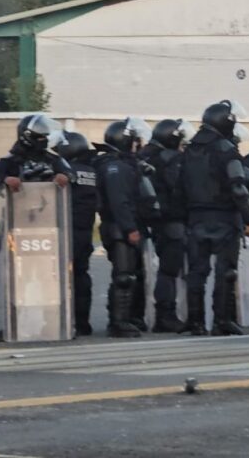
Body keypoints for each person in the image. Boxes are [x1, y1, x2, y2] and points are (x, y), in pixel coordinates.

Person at [0, 114, 73, 342]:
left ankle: (50, 323)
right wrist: (5, 181)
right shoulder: (9, 162)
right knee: (15, 280)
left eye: (46, 135)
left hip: (50, 228)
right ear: (28, 136)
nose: (44, 139)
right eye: (40, 135)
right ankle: (13, 324)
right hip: (17, 230)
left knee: (47, 278)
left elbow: (71, 175)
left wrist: (64, 177)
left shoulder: (54, 160)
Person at [180, 100, 249, 336]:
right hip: (224, 217)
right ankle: (222, 320)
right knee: (226, 272)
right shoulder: (226, 149)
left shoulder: (190, 149)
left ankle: (195, 321)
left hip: (196, 218)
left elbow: (180, 186)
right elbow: (237, 187)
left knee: (196, 272)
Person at [93, 117, 158, 338]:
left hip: (127, 226)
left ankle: (131, 318)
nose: (137, 145)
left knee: (133, 274)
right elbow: (119, 201)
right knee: (123, 276)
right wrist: (130, 228)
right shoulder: (115, 167)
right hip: (119, 228)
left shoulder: (125, 164)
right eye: (134, 141)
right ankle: (119, 321)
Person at [138, 118, 195, 334]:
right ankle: (166, 314)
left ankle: (139, 315)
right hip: (171, 219)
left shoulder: (145, 155)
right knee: (169, 270)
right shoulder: (171, 159)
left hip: (150, 219)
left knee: (144, 269)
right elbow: (178, 186)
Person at [54, 131, 98, 336]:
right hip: (85, 231)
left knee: (59, 276)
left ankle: (61, 321)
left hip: (64, 229)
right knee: (81, 275)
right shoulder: (91, 171)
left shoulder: (65, 172)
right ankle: (82, 322)